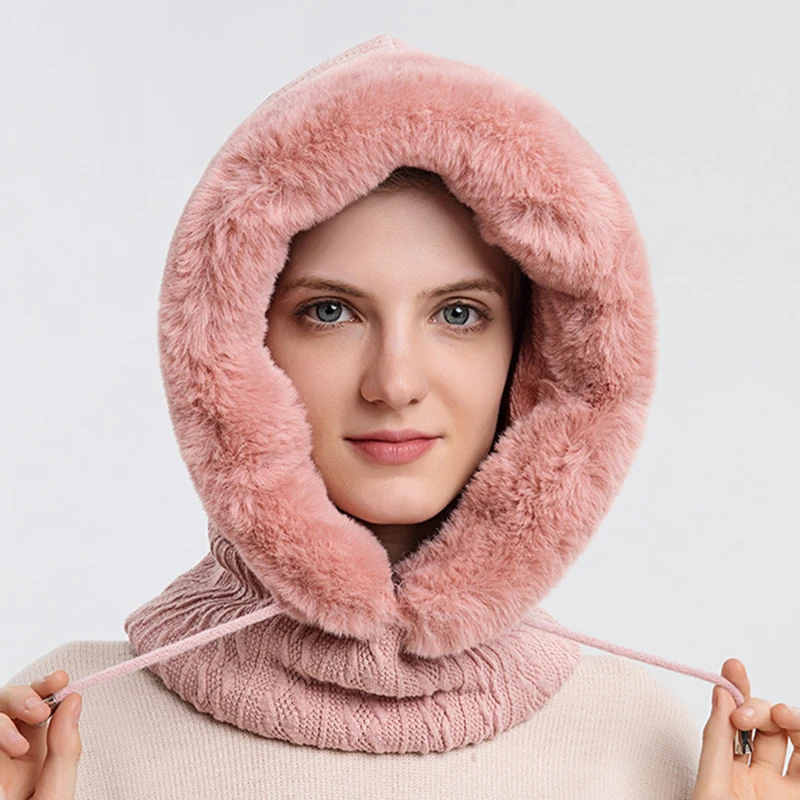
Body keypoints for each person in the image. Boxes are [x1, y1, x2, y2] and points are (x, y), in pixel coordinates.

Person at [2, 34, 798, 800]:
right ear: (236, 346)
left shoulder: (647, 743)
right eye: (329, 311)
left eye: (458, 313)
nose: (394, 382)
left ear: (537, 356)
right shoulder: (63, 728)